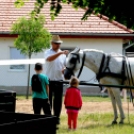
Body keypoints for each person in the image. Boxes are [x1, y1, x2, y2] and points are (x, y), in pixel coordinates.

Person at [44, 35, 69, 124]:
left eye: (59, 44)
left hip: (59, 80)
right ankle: (48, 117)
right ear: (52, 43)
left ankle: (56, 117)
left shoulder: (63, 55)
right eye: (56, 43)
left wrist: (65, 69)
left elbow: (65, 65)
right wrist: (60, 53)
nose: (58, 45)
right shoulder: (48, 52)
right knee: (48, 100)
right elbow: (49, 59)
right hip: (49, 80)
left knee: (58, 101)